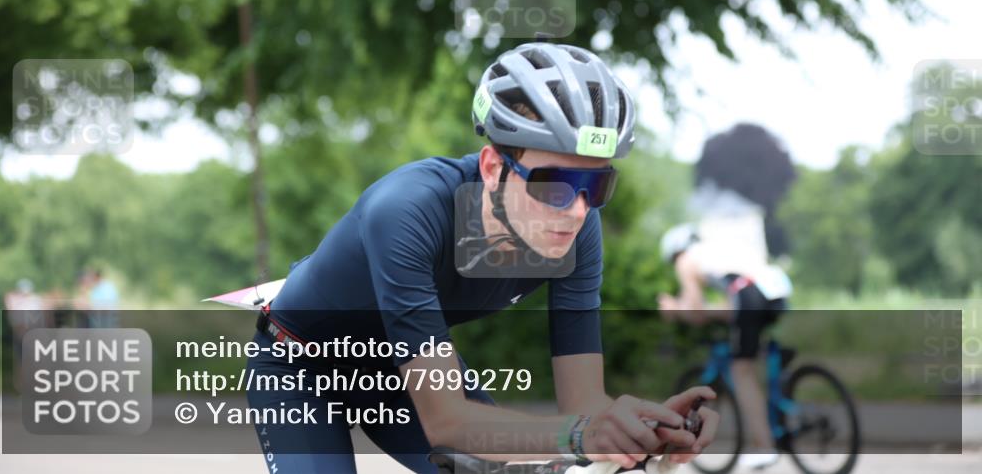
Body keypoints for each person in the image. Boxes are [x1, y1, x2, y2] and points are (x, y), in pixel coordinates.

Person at [246, 42, 718, 473]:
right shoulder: (409, 210)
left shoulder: (579, 230)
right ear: (493, 168)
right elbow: (448, 423)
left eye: (596, 185)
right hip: (299, 364)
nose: (577, 210)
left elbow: (585, 405)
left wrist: (641, 433)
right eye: (553, 184)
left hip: (397, 369)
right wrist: (581, 436)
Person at [657, 223, 793, 470]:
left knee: (742, 372)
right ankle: (780, 413)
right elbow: (729, 311)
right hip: (775, 292)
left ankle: (765, 447)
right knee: (755, 359)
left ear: (675, 252)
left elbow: (697, 315)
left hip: (749, 294)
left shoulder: (685, 261)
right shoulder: (718, 253)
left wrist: (673, 309)